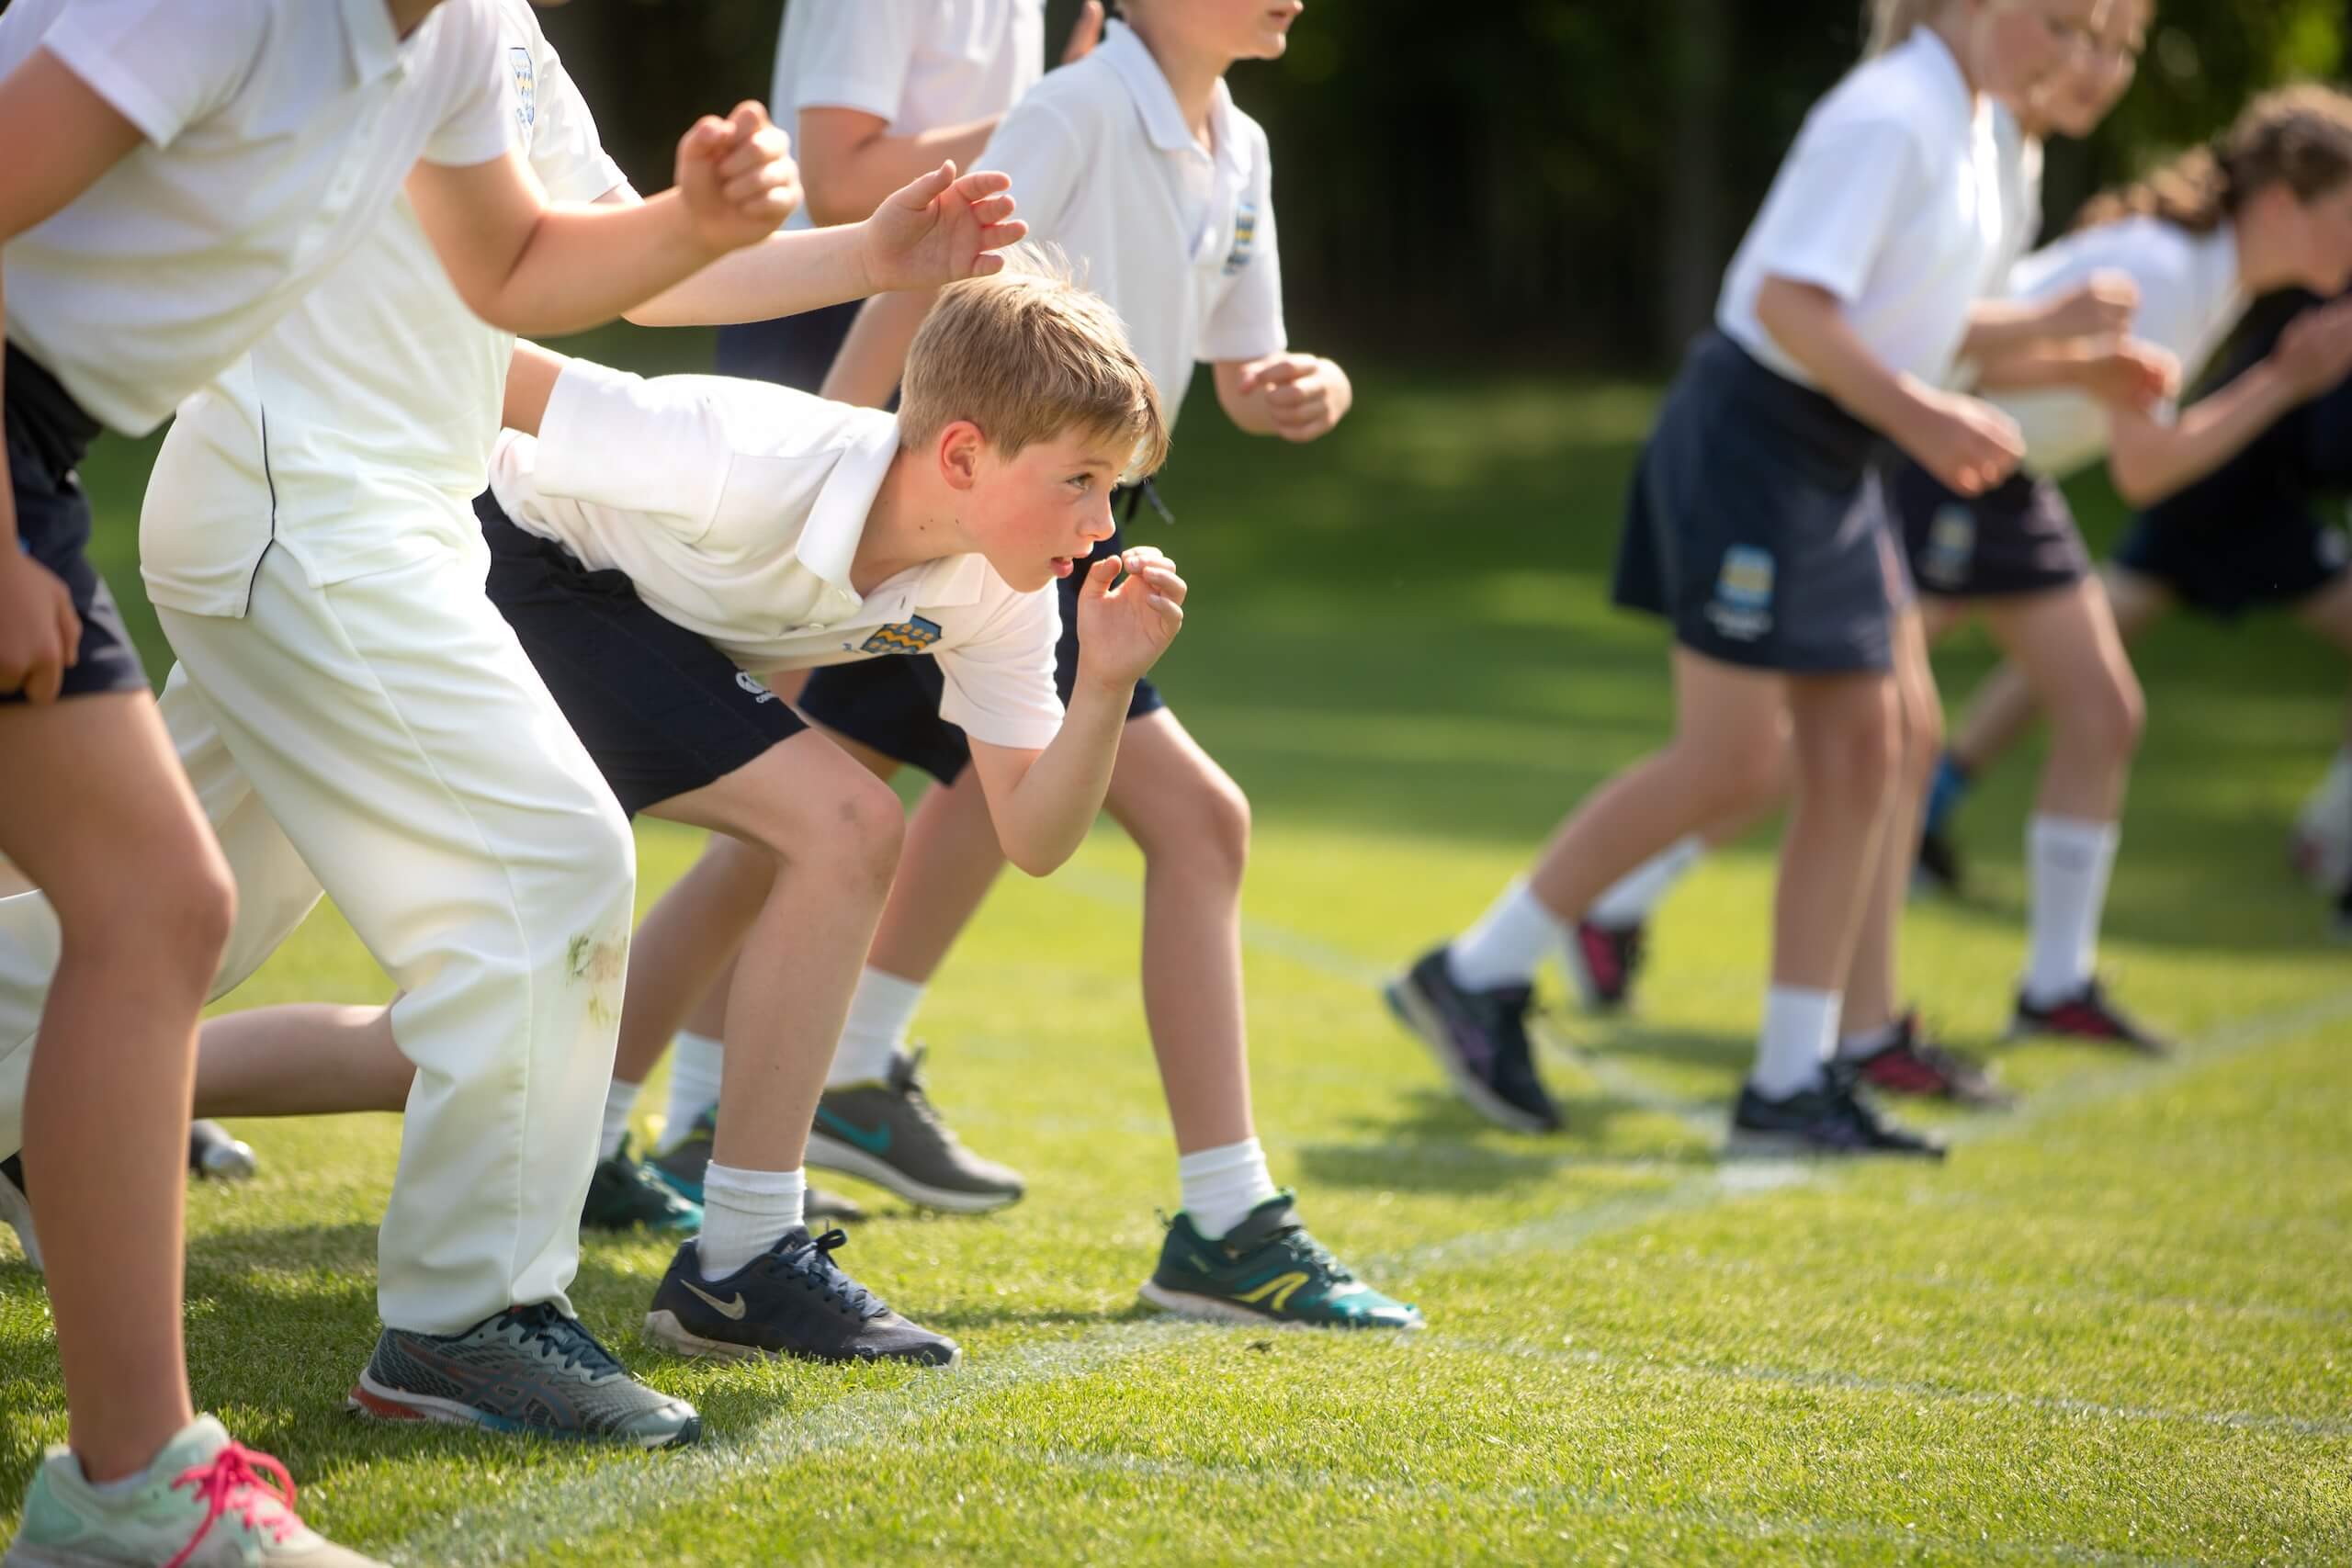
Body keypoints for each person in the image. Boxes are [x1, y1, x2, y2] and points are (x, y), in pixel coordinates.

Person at [0, 0, 816, 1482]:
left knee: (171, 913)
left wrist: (692, 225)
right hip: (280, 504)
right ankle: (466, 1317)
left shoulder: (446, 36)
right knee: (551, 859)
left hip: (355, 509)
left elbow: (512, 262)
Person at [190, 251, 1193, 1365]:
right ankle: (743, 1260)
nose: (1102, 523)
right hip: (490, 556)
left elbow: (1036, 837)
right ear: (961, 452)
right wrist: (277, 299)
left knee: (482, 1041)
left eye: (1116, 489)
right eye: (1081, 480)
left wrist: (1102, 685)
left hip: (600, 623)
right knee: (847, 823)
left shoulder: (1004, 599)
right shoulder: (744, 452)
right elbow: (494, 369)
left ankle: (72, 1100)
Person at [645, 0, 1416, 1330]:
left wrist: (1302, 388)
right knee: (1193, 823)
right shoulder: (1063, 111)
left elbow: (1239, 369)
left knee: (822, 830)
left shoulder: (1242, 148)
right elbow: (936, 289)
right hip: (969, 518)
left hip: (1044, 515)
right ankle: (1226, 1223)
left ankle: (666, 1116)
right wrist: (829, 475)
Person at [1385, 0, 2078, 1155]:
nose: (2071, 53)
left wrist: (2047, 344)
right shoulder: (1891, 112)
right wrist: (1925, 416)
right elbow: (1783, 303)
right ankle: (1474, 971)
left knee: (1869, 747)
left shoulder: (1964, 127)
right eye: (2058, 21)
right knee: (1732, 762)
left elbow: (1915, 319)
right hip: (1756, 442)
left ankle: (1789, 1081)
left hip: (1830, 456)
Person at [639, 0, 1102, 1219]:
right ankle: (706, 1120)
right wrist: (1062, 108)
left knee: (827, 791)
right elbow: (843, 169)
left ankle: (713, 1117)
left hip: (998, 421)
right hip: (848, 342)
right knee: (796, 788)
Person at [1934, 275, 2352, 941]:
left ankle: (1931, 806)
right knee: (2083, 678)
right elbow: (2327, 443)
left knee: (2086, 679)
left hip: (2225, 494)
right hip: (2224, 495)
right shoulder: (2278, 281)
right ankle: (2336, 846)